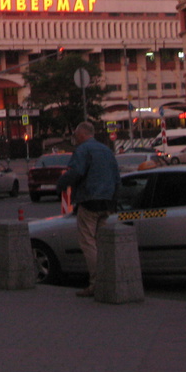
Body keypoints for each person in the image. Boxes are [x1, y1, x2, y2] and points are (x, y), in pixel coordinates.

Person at [53, 121, 120, 297]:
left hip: (90, 200)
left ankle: (97, 283)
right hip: (107, 202)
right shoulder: (106, 150)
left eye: (75, 135)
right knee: (101, 243)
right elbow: (116, 177)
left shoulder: (83, 150)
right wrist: (114, 201)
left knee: (88, 242)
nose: (74, 138)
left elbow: (76, 172)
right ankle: (108, 280)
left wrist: (60, 185)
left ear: (82, 134)